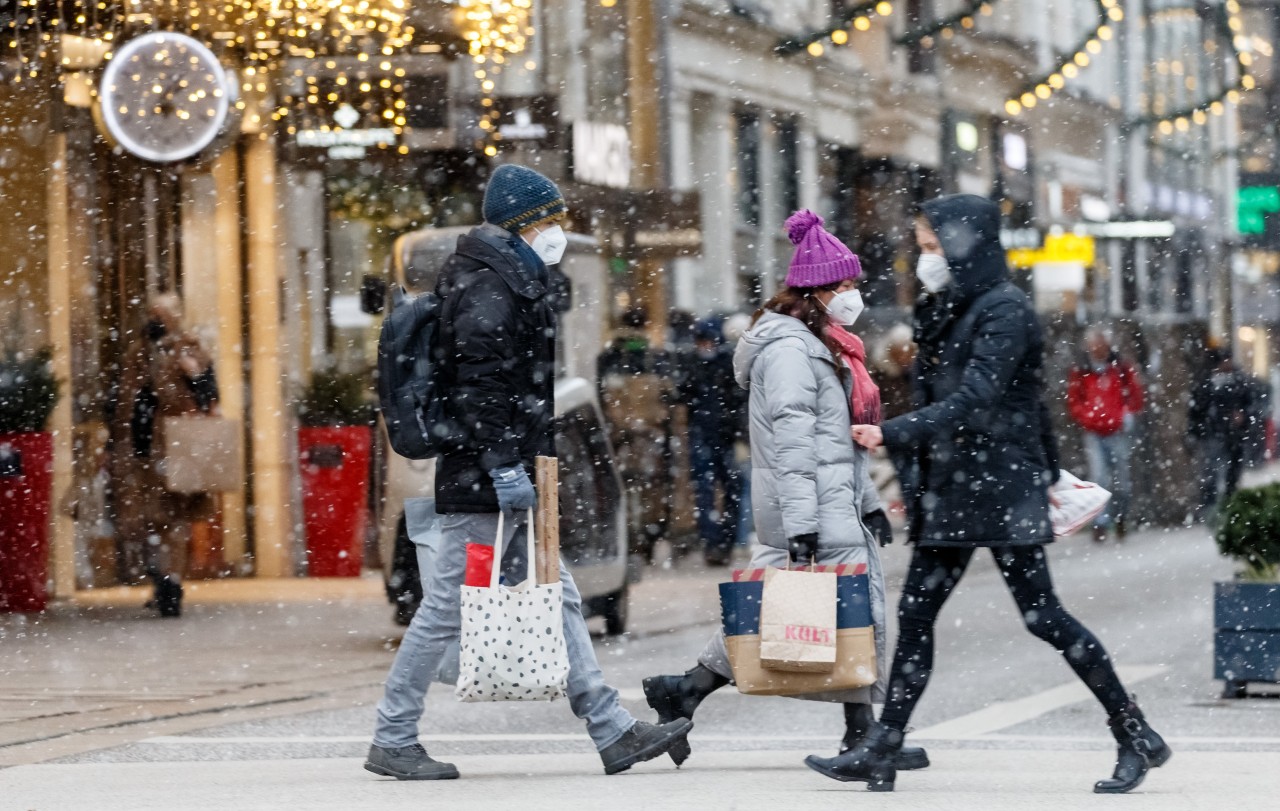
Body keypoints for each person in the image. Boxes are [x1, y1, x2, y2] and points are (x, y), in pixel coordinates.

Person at [807, 195, 1170, 794]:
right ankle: (884, 744)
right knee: (918, 613)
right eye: (921, 248)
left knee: (1044, 617)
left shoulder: (1004, 312)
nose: (925, 260)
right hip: (957, 486)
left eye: (931, 247)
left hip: (997, 487)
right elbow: (991, 402)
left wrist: (889, 432)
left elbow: (980, 399)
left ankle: (1135, 733)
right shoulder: (952, 306)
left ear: (963, 244)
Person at [366, 164, 691, 780]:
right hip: (485, 475)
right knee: (444, 609)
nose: (558, 232)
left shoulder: (503, 278)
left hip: (498, 469)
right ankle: (393, 734)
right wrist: (501, 466)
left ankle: (610, 728)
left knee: (559, 594)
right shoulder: (488, 286)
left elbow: (495, 388)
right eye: (551, 220)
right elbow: (481, 389)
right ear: (524, 223)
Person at [641, 210, 924, 771]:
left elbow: (833, 442)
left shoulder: (817, 343)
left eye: (854, 286)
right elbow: (794, 447)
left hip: (828, 501)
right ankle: (860, 737)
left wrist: (868, 504)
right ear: (815, 292)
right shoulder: (791, 351)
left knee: (839, 616)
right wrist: (802, 526)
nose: (853, 296)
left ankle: (690, 691)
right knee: (830, 615)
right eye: (843, 287)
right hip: (809, 506)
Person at [118, 293, 220, 617]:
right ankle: (161, 577)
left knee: (174, 517)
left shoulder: (188, 346)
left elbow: (209, 392)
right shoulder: (139, 351)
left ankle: (170, 582)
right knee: (149, 518)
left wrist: (194, 374)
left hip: (179, 443)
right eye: (152, 312)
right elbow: (124, 398)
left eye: (161, 313)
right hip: (145, 443)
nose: (155, 318)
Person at [674, 318, 744, 565]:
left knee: (730, 490)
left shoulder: (727, 364)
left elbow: (738, 398)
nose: (705, 346)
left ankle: (723, 542)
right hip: (704, 435)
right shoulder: (694, 364)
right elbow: (682, 393)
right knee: (706, 493)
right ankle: (714, 543)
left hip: (722, 437)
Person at [1066, 327, 1144, 542]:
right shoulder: (1081, 371)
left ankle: (1120, 516)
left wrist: (1127, 413)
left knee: (1121, 480)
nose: (1097, 349)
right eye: (1094, 345)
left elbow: (1135, 394)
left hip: (1117, 430)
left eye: (1101, 344)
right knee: (1099, 478)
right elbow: (1074, 400)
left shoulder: (1120, 368)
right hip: (1093, 431)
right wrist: (1086, 417)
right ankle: (1100, 522)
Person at [1188, 348, 1255, 519]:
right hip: (1212, 433)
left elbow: (1251, 405)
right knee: (1211, 472)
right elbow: (1196, 410)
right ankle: (1212, 509)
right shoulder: (1206, 383)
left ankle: (1229, 506)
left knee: (1231, 472)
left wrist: (1243, 416)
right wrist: (1196, 430)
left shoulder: (1240, 381)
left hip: (1233, 434)